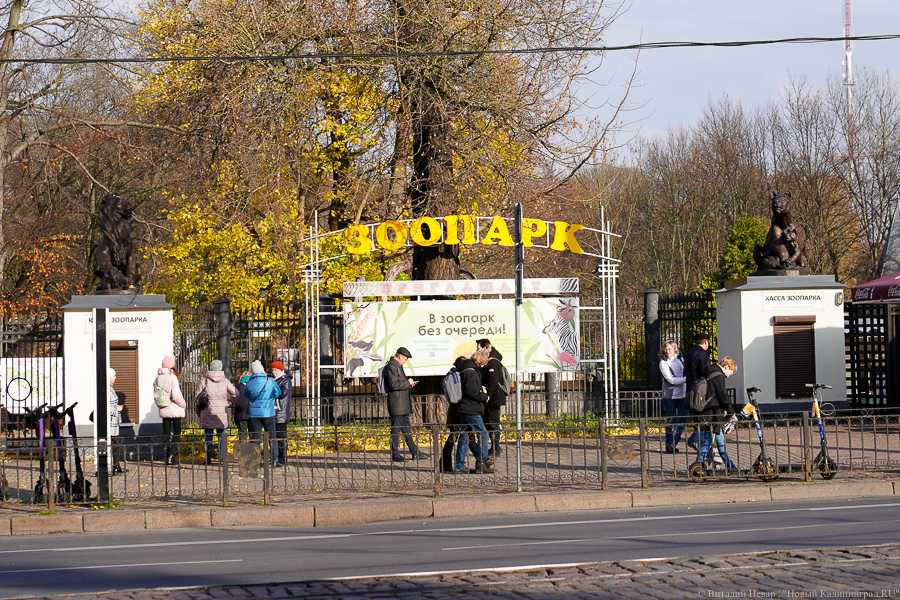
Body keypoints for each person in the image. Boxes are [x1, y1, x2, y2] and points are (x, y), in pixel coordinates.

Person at [383, 347, 427, 462]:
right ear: (399, 356)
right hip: (397, 404)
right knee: (396, 431)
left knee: (407, 429)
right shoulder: (392, 366)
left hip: (401, 404)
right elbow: (394, 384)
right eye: (405, 359)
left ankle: (415, 452)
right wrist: (407, 382)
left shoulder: (397, 366)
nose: (406, 361)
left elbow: (398, 383)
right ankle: (395, 455)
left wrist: (408, 384)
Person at [696, 356, 739, 471]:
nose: (731, 374)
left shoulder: (711, 373)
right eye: (731, 371)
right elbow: (722, 397)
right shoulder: (719, 376)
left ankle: (731, 467)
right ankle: (697, 467)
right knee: (707, 443)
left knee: (721, 444)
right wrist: (731, 412)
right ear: (726, 367)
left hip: (710, 413)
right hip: (713, 414)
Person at [455, 353, 492, 474]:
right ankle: (482, 463)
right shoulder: (470, 372)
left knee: (464, 436)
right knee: (483, 434)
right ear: (479, 362)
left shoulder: (466, 369)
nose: (482, 366)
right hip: (471, 408)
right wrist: (484, 396)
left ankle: (460, 465)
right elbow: (472, 392)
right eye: (482, 364)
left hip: (466, 407)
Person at [195, 359, 238, 465]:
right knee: (222, 436)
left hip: (207, 412)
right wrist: (230, 402)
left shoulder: (204, 381)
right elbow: (236, 393)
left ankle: (208, 458)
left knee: (208, 437)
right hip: (221, 413)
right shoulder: (225, 381)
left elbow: (197, 399)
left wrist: (198, 412)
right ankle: (222, 458)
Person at [476, 338, 507, 462]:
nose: (476, 350)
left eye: (478, 348)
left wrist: (488, 396)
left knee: (493, 422)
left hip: (493, 398)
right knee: (488, 422)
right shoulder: (489, 361)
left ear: (484, 348)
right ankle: (494, 446)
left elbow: (492, 382)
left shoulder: (492, 362)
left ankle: (496, 447)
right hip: (490, 397)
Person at [245, 360, 281, 465]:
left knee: (256, 438)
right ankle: (274, 460)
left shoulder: (249, 382)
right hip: (268, 413)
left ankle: (256, 460)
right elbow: (278, 393)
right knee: (272, 436)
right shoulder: (270, 380)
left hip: (254, 414)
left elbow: (246, 394)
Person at [155, 355, 186, 465]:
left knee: (166, 432)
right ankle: (172, 454)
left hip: (164, 407)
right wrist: (183, 404)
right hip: (175, 408)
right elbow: (176, 395)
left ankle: (167, 454)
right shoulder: (172, 377)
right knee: (177, 431)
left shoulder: (158, 378)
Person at [682, 333, 711, 450]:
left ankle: (699, 440)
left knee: (696, 414)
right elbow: (706, 372)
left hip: (690, 389)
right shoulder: (702, 354)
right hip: (700, 390)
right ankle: (696, 439)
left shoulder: (689, 354)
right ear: (705, 342)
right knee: (703, 415)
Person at [659, 340, 688, 453]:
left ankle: (673, 441)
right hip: (670, 394)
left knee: (684, 416)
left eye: (669, 349)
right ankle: (668, 443)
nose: (667, 351)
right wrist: (686, 379)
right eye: (666, 349)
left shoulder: (681, 359)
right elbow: (670, 380)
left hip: (682, 393)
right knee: (671, 419)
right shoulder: (663, 362)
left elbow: (685, 371)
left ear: (675, 349)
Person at [272, 360, 293, 467]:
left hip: (281, 413)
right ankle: (275, 458)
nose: (274, 372)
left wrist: (272, 389)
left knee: (281, 438)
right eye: (272, 370)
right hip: (272, 412)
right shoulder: (273, 380)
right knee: (273, 438)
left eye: (276, 370)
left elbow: (283, 394)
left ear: (281, 370)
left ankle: (282, 459)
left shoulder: (286, 381)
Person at [108, 368, 126, 475]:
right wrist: (116, 409)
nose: (115, 378)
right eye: (114, 376)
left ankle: (116, 465)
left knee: (117, 442)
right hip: (110, 421)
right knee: (112, 443)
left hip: (114, 421)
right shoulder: (106, 389)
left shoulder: (110, 388)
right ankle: (112, 466)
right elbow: (104, 404)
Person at [233, 371, 252, 441]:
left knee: (242, 435)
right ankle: (253, 451)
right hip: (252, 413)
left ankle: (243, 451)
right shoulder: (254, 386)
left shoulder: (237, 387)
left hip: (241, 414)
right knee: (253, 435)